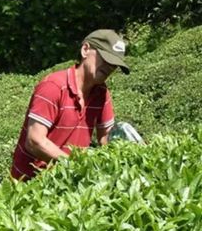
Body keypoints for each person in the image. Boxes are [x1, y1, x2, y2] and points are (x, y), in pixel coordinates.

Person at [11, 29, 130, 181]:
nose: (110, 67)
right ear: (85, 50)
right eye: (105, 58)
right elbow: (34, 141)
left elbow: (106, 138)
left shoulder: (101, 93)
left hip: (68, 179)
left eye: (114, 64)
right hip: (31, 184)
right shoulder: (53, 86)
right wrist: (77, 165)